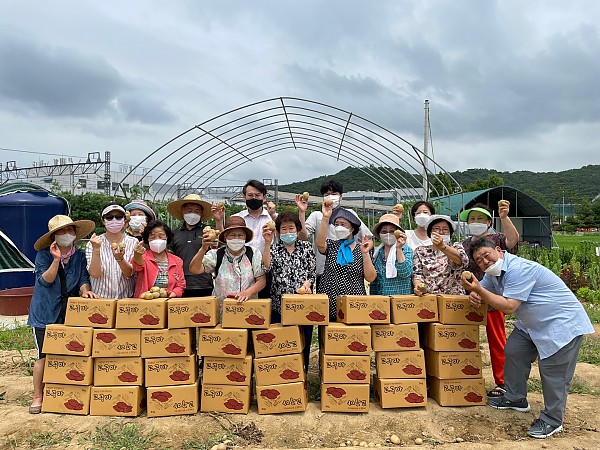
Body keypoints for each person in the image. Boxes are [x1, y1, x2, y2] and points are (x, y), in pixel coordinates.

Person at [462, 238, 594, 439]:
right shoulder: (493, 274)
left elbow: (508, 306)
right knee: (514, 350)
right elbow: (484, 294)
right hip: (532, 324)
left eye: (486, 255)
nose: (484, 262)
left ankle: (552, 420)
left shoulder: (519, 269)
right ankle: (515, 398)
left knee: (553, 373)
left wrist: (478, 290)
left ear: (498, 250)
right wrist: (475, 294)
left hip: (560, 323)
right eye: (479, 261)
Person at [28, 215, 98, 414]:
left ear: (75, 234)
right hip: (45, 311)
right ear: (53, 236)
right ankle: (37, 396)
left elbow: (84, 278)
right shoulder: (44, 254)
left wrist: (85, 290)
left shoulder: (79, 255)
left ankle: (62, 389)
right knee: (43, 354)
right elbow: (45, 280)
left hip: (69, 312)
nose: (67, 235)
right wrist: (56, 260)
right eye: (61, 231)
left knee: (68, 352)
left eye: (70, 230)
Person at [460, 201, 519, 398]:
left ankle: (502, 381)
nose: (476, 222)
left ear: (489, 221)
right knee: (464, 338)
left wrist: (505, 218)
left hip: (494, 298)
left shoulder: (497, 239)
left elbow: (513, 241)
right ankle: (463, 376)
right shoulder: (465, 244)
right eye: (472, 219)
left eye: (480, 219)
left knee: (497, 340)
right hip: (472, 298)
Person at [262, 210, 316, 372]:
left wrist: (307, 283)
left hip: (303, 305)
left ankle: (302, 372)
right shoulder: (275, 249)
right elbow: (266, 266)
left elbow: (311, 272)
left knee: (304, 339)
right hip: (280, 304)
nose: (288, 232)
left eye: (291, 228)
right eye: (283, 229)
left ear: (298, 229)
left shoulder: (306, 247)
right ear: (278, 232)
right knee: (283, 341)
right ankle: (284, 373)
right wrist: (267, 243)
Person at [299, 180, 372, 289]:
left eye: (334, 194)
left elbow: (367, 237)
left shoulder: (350, 214)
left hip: (350, 272)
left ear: (340, 197)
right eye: (327, 195)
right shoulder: (317, 216)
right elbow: (303, 237)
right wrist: (302, 212)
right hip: (323, 271)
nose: (330, 197)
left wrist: (365, 253)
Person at [317, 206, 376, 321]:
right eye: (336, 224)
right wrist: (325, 218)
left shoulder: (362, 248)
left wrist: (365, 254)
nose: (339, 227)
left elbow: (370, 277)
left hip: (354, 302)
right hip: (329, 300)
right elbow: (320, 244)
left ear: (352, 228)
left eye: (343, 224)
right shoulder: (332, 245)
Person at [189, 216, 265, 304]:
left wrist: (248, 293)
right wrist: (203, 249)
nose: (236, 238)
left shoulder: (253, 253)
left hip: (247, 308)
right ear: (225, 237)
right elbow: (195, 269)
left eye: (240, 235)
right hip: (222, 308)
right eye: (232, 235)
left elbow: (261, 280)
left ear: (245, 237)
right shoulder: (217, 254)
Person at [86, 203, 138, 298]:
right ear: (103, 220)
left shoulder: (133, 242)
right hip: (100, 299)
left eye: (118, 217)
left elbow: (130, 274)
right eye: (109, 217)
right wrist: (96, 250)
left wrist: (120, 259)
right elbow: (95, 274)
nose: (114, 220)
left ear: (124, 220)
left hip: (126, 301)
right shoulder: (93, 243)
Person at [168, 194, 215, 297]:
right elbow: (170, 257)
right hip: (180, 284)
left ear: (201, 213)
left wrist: (219, 221)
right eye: (189, 210)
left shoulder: (208, 232)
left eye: (197, 211)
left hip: (203, 283)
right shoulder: (175, 233)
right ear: (182, 210)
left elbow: (219, 247)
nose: (193, 214)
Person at [412, 214, 468, 296]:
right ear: (430, 232)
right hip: (430, 298)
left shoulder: (456, 247)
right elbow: (417, 274)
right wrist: (418, 287)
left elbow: (462, 261)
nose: (441, 232)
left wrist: (442, 247)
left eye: (445, 229)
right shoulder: (420, 251)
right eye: (436, 229)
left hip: (453, 299)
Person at [132, 220, 186, 298]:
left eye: (161, 236)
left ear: (167, 237)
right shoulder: (144, 257)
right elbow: (137, 264)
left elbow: (180, 285)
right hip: (145, 303)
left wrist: (173, 294)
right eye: (153, 237)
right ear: (148, 239)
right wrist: (137, 254)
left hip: (169, 303)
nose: (157, 239)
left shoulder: (177, 261)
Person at [370, 214, 413, 295]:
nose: (388, 234)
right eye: (384, 232)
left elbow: (406, 273)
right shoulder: (377, 253)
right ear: (379, 234)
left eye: (392, 231)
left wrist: (399, 249)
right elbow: (374, 281)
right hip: (382, 300)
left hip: (401, 300)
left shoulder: (406, 250)